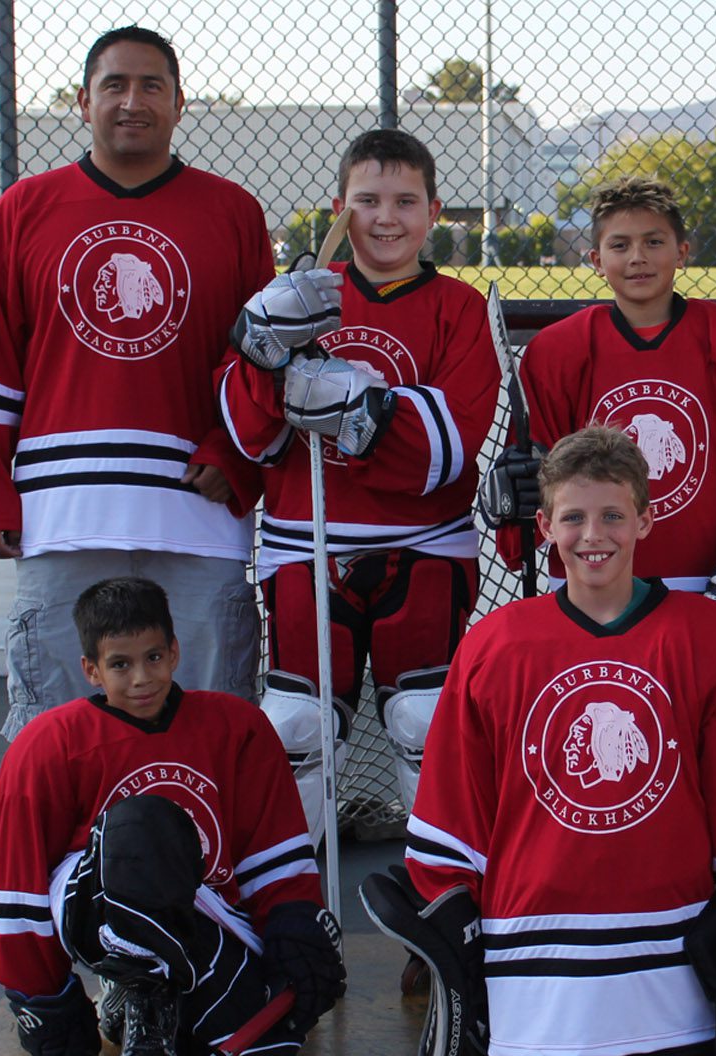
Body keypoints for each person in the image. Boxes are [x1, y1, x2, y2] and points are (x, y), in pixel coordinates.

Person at [362, 426, 716, 1056]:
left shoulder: (706, 634)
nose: (593, 535)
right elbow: (456, 807)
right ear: (545, 526)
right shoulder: (495, 643)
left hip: (672, 957)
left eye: (612, 515)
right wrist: (456, 935)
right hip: (536, 958)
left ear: (646, 519)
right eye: (573, 517)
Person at [0, 26, 272, 740]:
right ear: (82, 101)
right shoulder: (22, 210)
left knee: (212, 718)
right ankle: (74, 826)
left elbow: (259, 362)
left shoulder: (232, 212)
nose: (133, 101)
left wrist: (233, 453)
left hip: (196, 511)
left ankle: (200, 823)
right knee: (57, 726)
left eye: (152, 86)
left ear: (179, 103)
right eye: (115, 85)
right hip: (62, 511)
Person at [217, 128, 501, 845]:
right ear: (340, 208)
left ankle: (443, 889)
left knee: (426, 721)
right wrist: (263, 350)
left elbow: (450, 446)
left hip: (425, 545)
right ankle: (290, 892)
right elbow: (253, 437)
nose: (386, 217)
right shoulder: (298, 299)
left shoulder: (460, 308)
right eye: (369, 200)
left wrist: (347, 402)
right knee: (297, 726)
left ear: (434, 212)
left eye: (405, 201)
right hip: (304, 543)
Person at [0, 577, 345, 1056]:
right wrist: (42, 998)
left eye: (154, 657)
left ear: (175, 652)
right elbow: (19, 887)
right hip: (99, 914)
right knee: (144, 824)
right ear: (91, 669)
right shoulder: (46, 745)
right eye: (120, 664)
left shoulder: (237, 726)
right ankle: (139, 987)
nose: (141, 678)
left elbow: (272, 854)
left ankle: (148, 1011)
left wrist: (292, 928)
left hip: (201, 915)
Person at [480, 177, 716, 674]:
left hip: (712, 585)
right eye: (620, 245)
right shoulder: (557, 351)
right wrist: (519, 504)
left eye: (654, 242)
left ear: (682, 252)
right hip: (592, 589)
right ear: (596, 260)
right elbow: (539, 483)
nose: (638, 258)